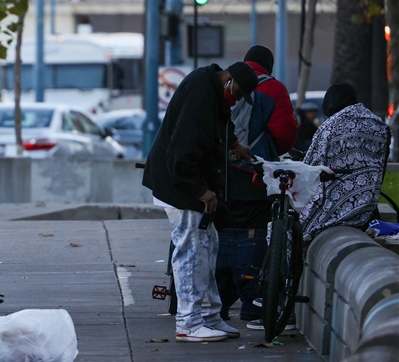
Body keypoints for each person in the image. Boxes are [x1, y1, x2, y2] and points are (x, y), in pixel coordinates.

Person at [143, 62, 258, 342]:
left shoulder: (211, 89)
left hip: (188, 182)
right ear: (228, 80)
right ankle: (188, 322)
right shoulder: (201, 94)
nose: (236, 99)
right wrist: (200, 192)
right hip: (179, 185)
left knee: (207, 247)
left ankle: (209, 317)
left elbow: (219, 124)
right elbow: (182, 152)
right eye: (238, 93)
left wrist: (233, 145)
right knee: (191, 248)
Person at [216, 45, 298, 326]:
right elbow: (285, 134)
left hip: (220, 174)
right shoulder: (274, 89)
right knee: (254, 235)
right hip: (253, 173)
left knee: (222, 233)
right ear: (269, 66)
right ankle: (253, 300)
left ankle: (217, 303)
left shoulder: (225, 82)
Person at [299, 83, 389, 241]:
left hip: (330, 210)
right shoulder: (380, 126)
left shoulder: (329, 128)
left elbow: (310, 168)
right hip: (367, 208)